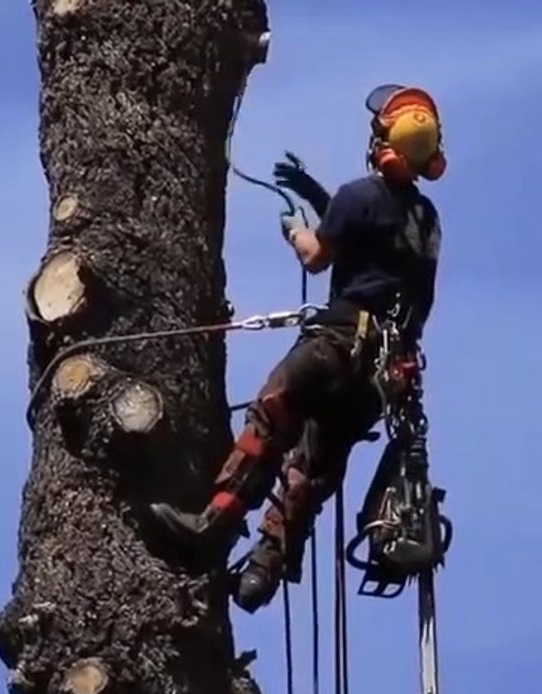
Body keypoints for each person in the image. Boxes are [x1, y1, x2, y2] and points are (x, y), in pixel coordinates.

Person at [147, 84, 447, 612]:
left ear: (382, 142)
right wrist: (315, 194)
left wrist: (295, 232)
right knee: (312, 466)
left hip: (338, 343)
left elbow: (318, 255)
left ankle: (214, 524)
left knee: (273, 414)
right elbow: (373, 238)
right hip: (382, 378)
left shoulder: (359, 195)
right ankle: (262, 574)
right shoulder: (426, 220)